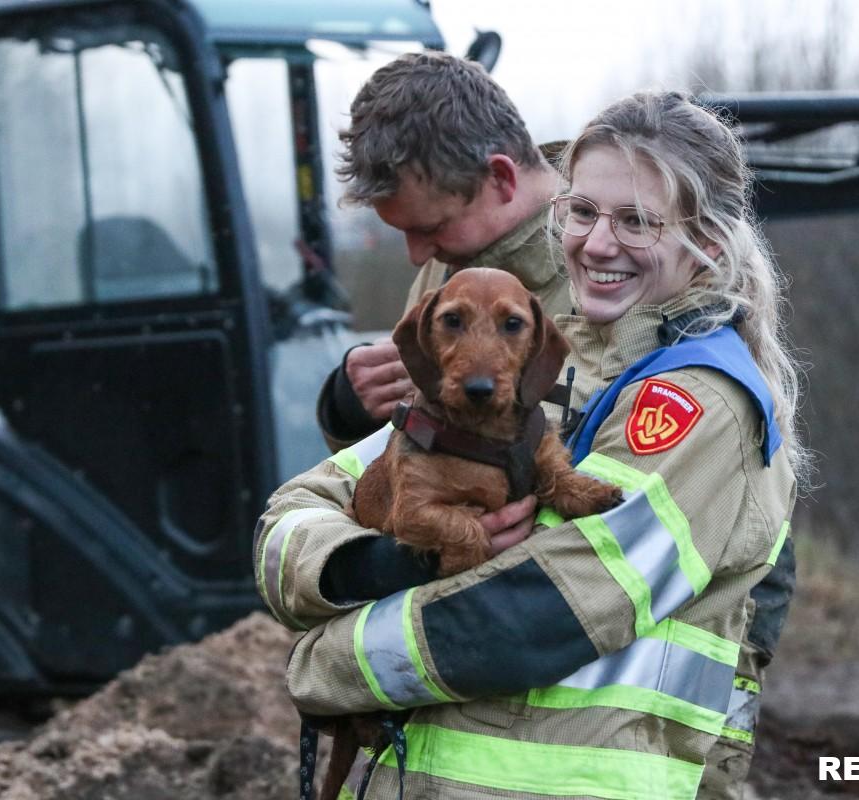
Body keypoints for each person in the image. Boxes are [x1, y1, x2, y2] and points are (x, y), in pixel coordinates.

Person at [257, 90, 808, 799]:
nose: (596, 242)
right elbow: (294, 511)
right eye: (582, 212)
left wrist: (322, 665)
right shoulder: (540, 366)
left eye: (637, 221)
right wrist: (372, 564)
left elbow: (536, 611)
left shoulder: (696, 403)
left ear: (705, 241)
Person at [315, 51, 567, 452]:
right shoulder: (457, 254)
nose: (418, 256)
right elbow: (407, 458)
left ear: (501, 177)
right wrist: (351, 408)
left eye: (431, 228)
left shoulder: (613, 266)